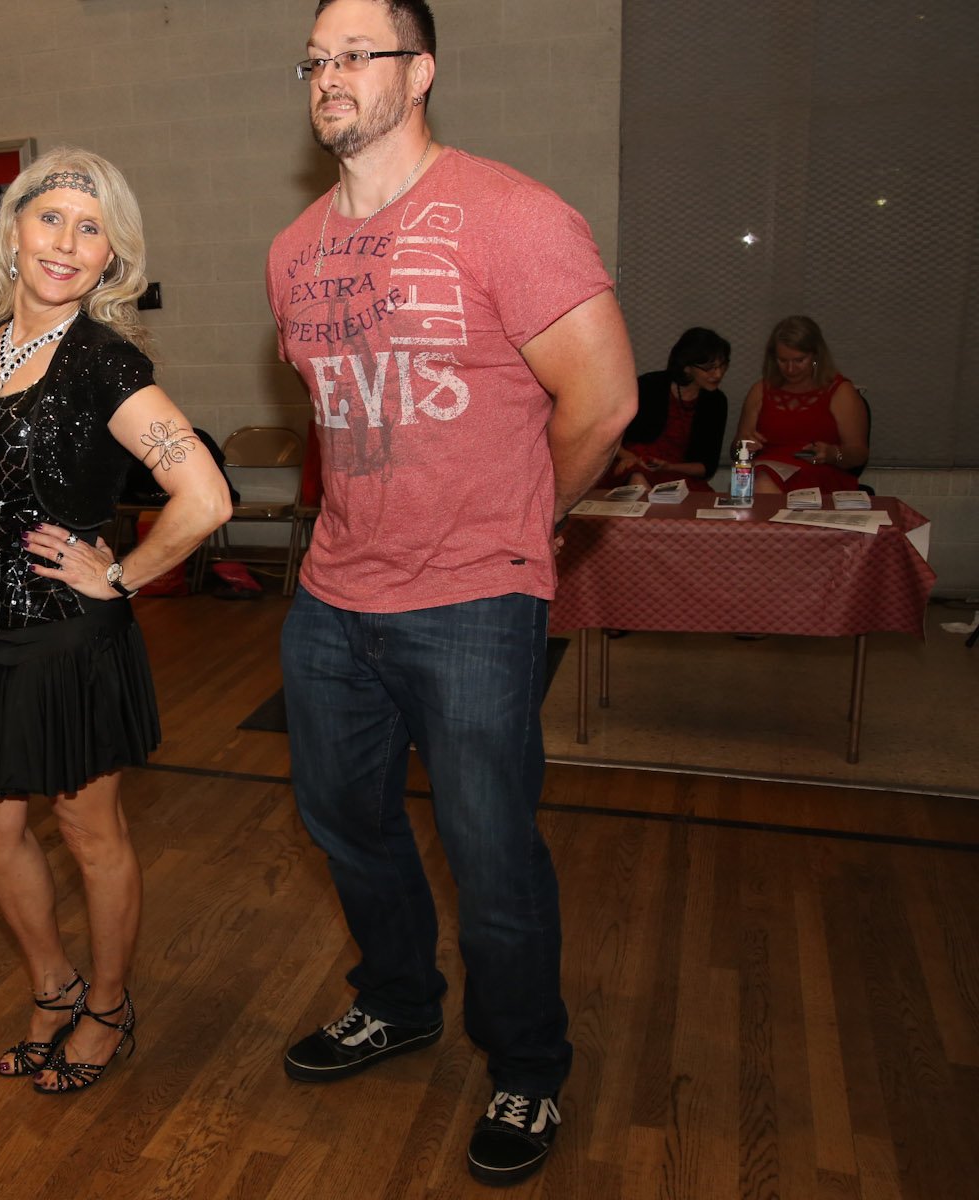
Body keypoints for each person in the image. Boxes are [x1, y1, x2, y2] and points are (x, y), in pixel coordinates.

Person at [268, 1, 637, 1187]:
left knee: (489, 852)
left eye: (356, 54)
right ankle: (397, 1000)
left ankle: (527, 1066)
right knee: (346, 823)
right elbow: (336, 415)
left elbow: (606, 403)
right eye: (315, 59)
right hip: (335, 596)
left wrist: (526, 517)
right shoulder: (293, 250)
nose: (330, 75)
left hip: (476, 596)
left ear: (419, 71)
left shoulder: (513, 215)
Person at [0, 149, 231, 1095]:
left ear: (112, 256)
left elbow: (205, 498)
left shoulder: (104, 361)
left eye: (91, 228)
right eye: (51, 218)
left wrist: (123, 576)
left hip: (66, 633)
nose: (66, 243)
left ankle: (106, 1006)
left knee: (87, 829)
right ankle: (53, 985)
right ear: (15, 230)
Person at [734, 315, 869, 494]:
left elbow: (859, 454)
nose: (790, 369)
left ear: (816, 356)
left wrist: (832, 454)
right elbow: (736, 453)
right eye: (783, 361)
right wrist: (744, 446)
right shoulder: (760, 390)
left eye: (799, 360)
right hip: (766, 471)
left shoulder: (840, 392)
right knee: (753, 479)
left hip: (820, 473)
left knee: (761, 484)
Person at [604, 327, 730, 492]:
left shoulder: (716, 402)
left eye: (723, 365)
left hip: (676, 473)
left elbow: (706, 467)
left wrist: (669, 467)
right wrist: (629, 457)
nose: (718, 374)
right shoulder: (649, 385)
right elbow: (608, 434)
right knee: (638, 476)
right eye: (709, 368)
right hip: (632, 463)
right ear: (687, 367)